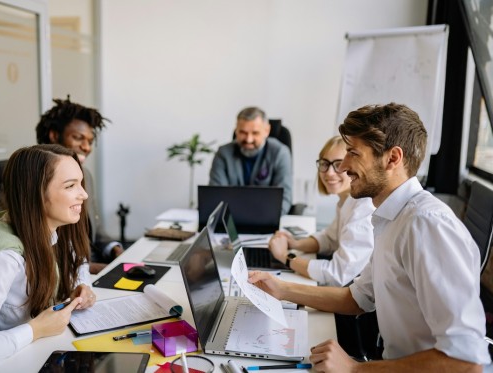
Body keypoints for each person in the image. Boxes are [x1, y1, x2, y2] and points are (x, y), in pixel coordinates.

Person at [249, 103, 491, 372]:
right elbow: (357, 299)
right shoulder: (389, 217)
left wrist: (354, 369)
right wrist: (281, 289)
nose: (343, 166)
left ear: (392, 158)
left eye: (353, 153)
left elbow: (467, 363)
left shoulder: (427, 226)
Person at [0, 144, 97, 372]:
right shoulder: (5, 259)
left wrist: (82, 286)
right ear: (35, 194)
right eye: (70, 186)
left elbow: (78, 263)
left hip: (32, 356)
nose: (84, 194)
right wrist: (36, 329)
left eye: (80, 183)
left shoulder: (55, 229)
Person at [269, 136, 374, 286]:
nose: (329, 173)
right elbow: (330, 239)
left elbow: (336, 274)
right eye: (325, 163)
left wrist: (285, 257)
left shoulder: (364, 209)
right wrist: (295, 244)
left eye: (339, 164)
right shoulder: (347, 200)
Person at [36, 97, 123, 274]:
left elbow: (96, 228)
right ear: (54, 135)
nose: (86, 147)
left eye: (90, 141)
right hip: (61, 274)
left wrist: (116, 251)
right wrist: (87, 269)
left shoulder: (86, 175)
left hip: (90, 267)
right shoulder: (30, 177)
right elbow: (31, 243)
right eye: (78, 138)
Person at [209, 106, 292, 215]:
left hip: (266, 220)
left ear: (266, 131)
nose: (248, 139)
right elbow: (216, 196)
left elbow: (284, 199)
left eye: (255, 133)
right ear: (236, 130)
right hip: (230, 221)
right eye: (243, 132)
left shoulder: (281, 153)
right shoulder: (223, 153)